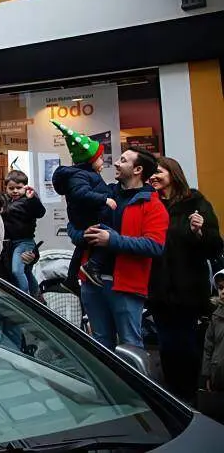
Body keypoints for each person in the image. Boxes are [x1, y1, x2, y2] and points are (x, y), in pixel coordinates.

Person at [68, 148, 167, 350]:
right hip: (92, 282)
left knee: (130, 344)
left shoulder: (152, 204)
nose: (116, 163)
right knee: (100, 343)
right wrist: (81, 235)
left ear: (138, 169)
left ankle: (134, 383)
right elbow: (74, 223)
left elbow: (155, 246)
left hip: (126, 286)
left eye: (123, 160)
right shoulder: (104, 194)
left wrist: (112, 240)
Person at [148, 157, 223, 402]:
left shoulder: (195, 201)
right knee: (167, 347)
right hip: (158, 288)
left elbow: (215, 246)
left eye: (158, 172)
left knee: (188, 346)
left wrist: (199, 231)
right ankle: (174, 397)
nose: (153, 177)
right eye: (152, 173)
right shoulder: (149, 202)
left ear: (173, 174)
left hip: (188, 289)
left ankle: (193, 397)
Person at [50, 120, 117, 286]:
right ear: (90, 160)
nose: (103, 161)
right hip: (91, 218)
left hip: (84, 218)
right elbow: (81, 193)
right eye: (100, 158)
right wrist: (104, 199)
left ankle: (71, 279)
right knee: (108, 235)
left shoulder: (84, 174)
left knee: (81, 249)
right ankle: (92, 265)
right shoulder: (81, 175)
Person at [1, 170, 46, 294]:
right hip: (11, 243)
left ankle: (24, 297)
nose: (15, 191)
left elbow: (40, 212)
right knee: (25, 271)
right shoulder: (4, 201)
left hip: (24, 242)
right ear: (6, 188)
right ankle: (35, 292)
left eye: (19, 188)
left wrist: (33, 198)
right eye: (11, 188)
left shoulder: (28, 201)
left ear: (25, 187)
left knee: (17, 271)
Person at [200, 271, 224, 421]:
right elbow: (208, 348)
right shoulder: (216, 317)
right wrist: (207, 374)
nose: (223, 292)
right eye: (221, 288)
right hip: (219, 377)